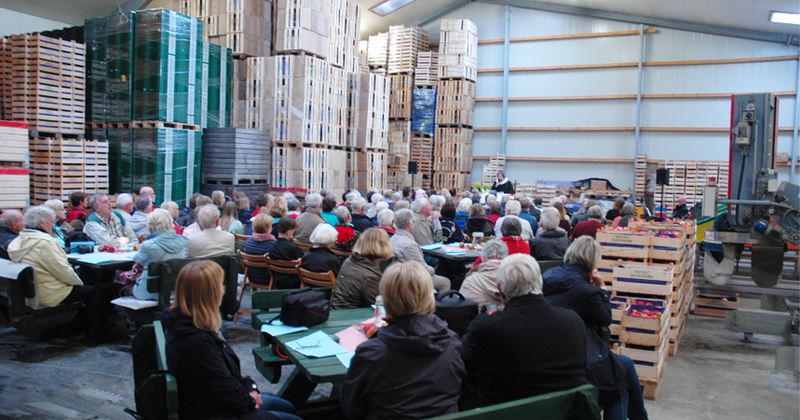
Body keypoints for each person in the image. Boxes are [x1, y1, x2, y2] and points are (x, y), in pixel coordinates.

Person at [162, 261, 300, 420]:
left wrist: (251, 387)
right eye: (220, 285)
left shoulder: (191, 323)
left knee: (287, 407)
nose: (223, 290)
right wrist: (250, 399)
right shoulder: (195, 341)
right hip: (215, 412)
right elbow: (225, 391)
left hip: (218, 400)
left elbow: (223, 377)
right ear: (210, 293)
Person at [340, 261, 466, 420]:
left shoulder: (372, 353)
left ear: (386, 298)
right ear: (428, 295)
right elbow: (458, 391)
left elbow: (351, 407)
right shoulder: (452, 342)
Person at [542, 237, 649, 420]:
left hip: (550, 350)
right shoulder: (587, 291)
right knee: (620, 379)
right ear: (593, 261)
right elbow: (606, 319)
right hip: (579, 355)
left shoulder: (548, 276)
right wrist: (602, 288)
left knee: (622, 371)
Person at [462, 254, 587, 407]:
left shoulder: (487, 327)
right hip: (565, 412)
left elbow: (463, 365)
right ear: (540, 283)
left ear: (501, 291)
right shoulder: (573, 321)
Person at [9, 206, 120, 342]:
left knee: (91, 289)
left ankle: (77, 327)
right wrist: (80, 282)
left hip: (31, 290)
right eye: (51, 222)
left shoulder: (19, 241)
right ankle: (95, 335)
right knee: (98, 292)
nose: (53, 225)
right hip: (50, 293)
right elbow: (63, 271)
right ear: (42, 224)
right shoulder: (45, 242)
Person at [131, 209, 189, 300]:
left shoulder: (148, 245)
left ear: (151, 227)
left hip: (149, 292)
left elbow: (137, 261)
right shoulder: (184, 242)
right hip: (176, 291)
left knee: (128, 284)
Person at [330, 228, 393, 310]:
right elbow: (377, 304)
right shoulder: (370, 276)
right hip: (350, 316)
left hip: (338, 310)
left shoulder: (351, 260)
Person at [390, 209, 451, 293]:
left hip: (397, 276)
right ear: (409, 224)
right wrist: (433, 269)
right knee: (445, 282)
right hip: (411, 278)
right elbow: (423, 269)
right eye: (413, 221)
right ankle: (440, 306)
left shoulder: (392, 239)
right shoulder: (410, 244)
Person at [459, 239, 508, 310]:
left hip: (480, 318)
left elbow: (461, 307)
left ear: (483, 258)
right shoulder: (517, 279)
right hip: (510, 318)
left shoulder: (471, 280)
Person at [267, 217, 303, 289]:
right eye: (293, 231)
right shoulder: (294, 248)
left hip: (277, 281)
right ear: (288, 232)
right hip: (295, 283)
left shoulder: (271, 247)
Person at [243, 214, 276, 286]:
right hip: (269, 278)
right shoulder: (272, 244)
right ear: (267, 227)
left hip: (252, 277)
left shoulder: (248, 241)